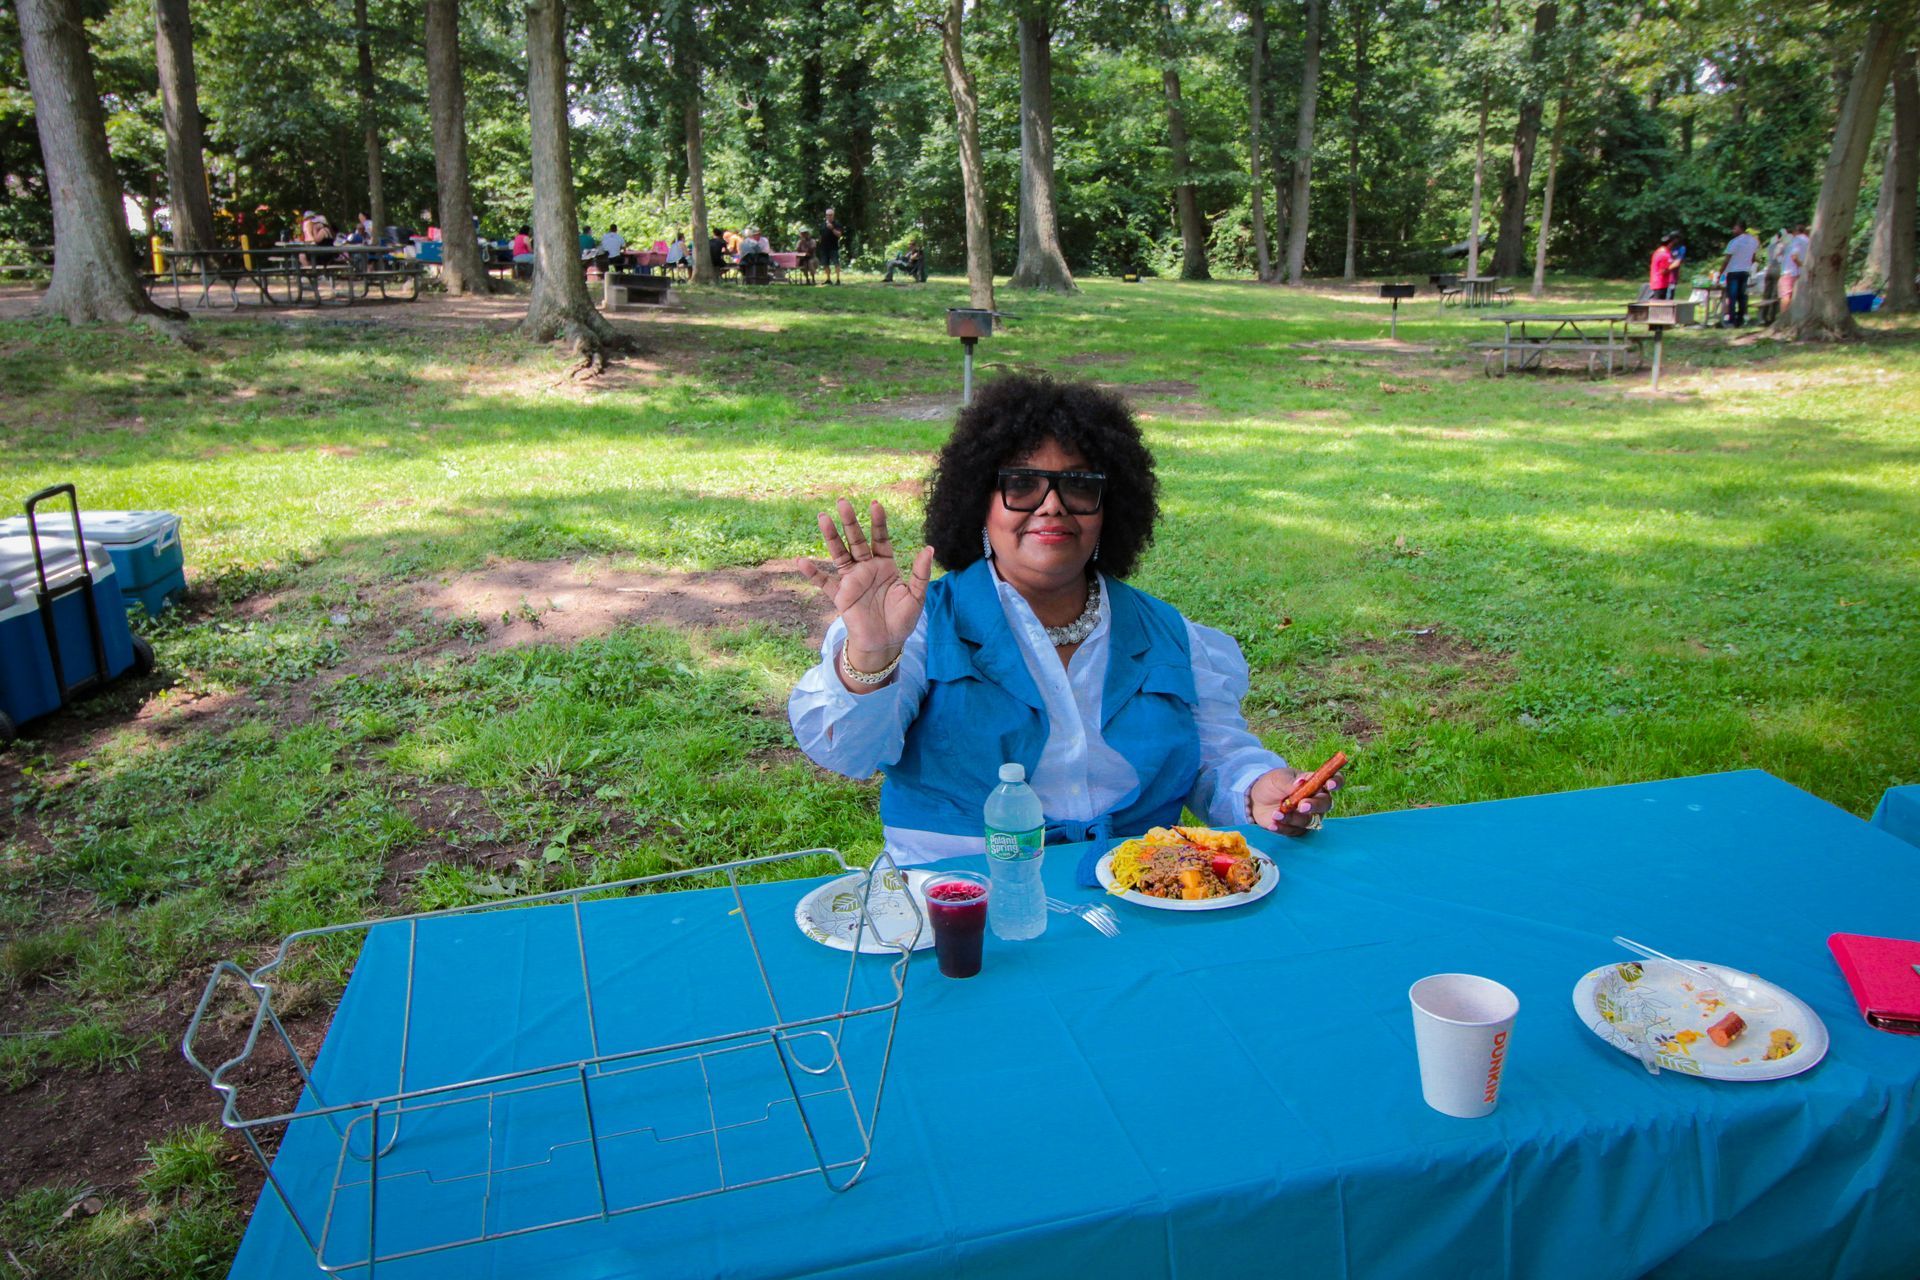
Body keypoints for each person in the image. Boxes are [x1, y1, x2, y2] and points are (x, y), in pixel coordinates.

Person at [789, 376, 1342, 866]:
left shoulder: (1169, 633)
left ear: (1109, 510)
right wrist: (870, 654)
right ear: (981, 504)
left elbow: (1216, 758)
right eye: (1023, 485)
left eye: (1078, 486)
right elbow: (850, 754)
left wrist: (1258, 788)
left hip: (1136, 888)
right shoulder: (920, 626)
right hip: (957, 899)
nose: (1051, 506)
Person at [1716, 220, 1759, 328]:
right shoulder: (1753, 241)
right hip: (1745, 271)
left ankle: (1731, 320)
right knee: (1742, 296)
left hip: (1733, 272)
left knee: (1733, 296)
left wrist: (1720, 273)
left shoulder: (1734, 242)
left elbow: (1727, 260)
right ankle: (1740, 319)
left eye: (1735, 228)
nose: (1733, 230)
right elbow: (1753, 258)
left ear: (1741, 228)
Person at [1778, 223, 1810, 316]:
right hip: (1800, 273)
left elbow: (1794, 256)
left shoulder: (1796, 241)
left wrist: (1801, 265)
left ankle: (1783, 318)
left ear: (1796, 232)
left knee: (1786, 296)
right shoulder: (1808, 241)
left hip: (1789, 271)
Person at [1647, 231, 1678, 301]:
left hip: (1655, 282)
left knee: (1657, 303)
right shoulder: (1664, 255)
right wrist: (1673, 265)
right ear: (1670, 244)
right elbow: (1663, 271)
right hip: (1661, 283)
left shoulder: (1658, 251)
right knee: (1659, 305)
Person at [817, 207, 844, 285]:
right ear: (825, 216)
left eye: (830, 215)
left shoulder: (837, 224)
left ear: (833, 215)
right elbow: (820, 235)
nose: (829, 216)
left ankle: (838, 280)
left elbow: (839, 235)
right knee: (825, 264)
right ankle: (828, 279)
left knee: (836, 263)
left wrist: (832, 229)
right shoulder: (822, 225)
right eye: (827, 215)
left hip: (833, 247)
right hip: (824, 248)